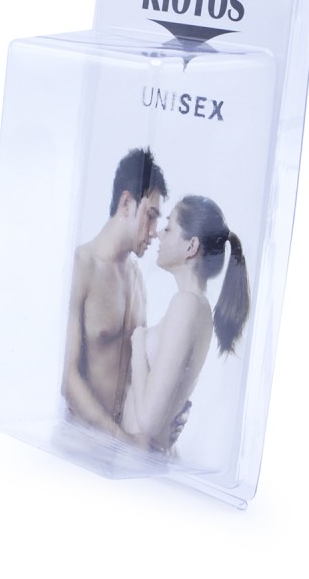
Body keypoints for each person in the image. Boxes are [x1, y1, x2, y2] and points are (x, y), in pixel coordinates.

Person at [121, 195, 250, 452]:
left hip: (137, 459)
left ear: (191, 246)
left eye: (168, 228)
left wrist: (138, 341)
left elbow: (147, 422)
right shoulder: (197, 308)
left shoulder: (186, 305)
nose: (159, 234)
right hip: (140, 457)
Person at [61, 147, 168, 444]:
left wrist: (166, 415)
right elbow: (67, 377)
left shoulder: (136, 279)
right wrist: (120, 438)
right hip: (78, 444)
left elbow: (140, 370)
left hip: (121, 446)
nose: (154, 232)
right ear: (126, 202)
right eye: (150, 216)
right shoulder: (81, 266)